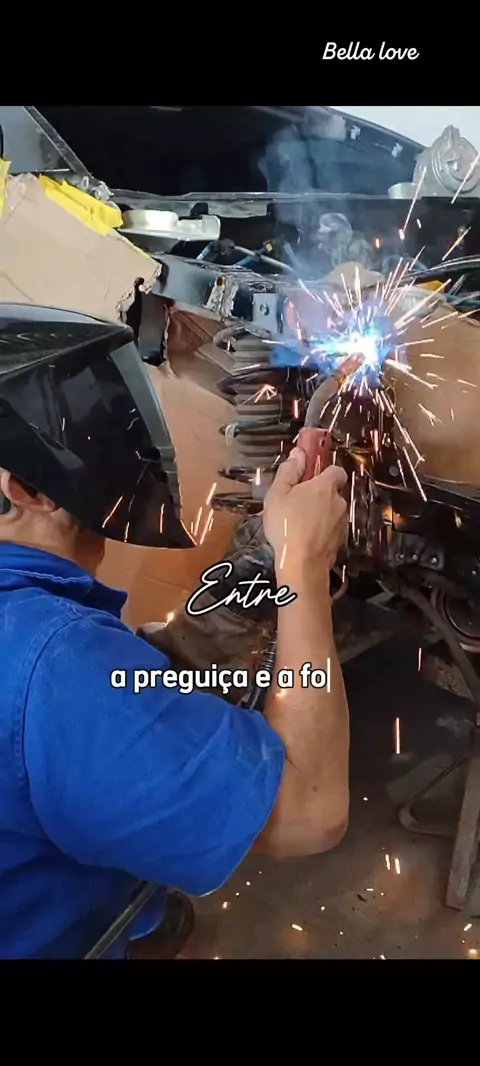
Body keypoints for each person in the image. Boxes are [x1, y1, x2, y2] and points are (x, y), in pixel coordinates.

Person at [0, 302, 350, 959]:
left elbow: (106, 697)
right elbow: (309, 810)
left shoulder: (40, 644)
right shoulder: (53, 664)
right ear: (24, 486)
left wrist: (252, 574)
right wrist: (303, 565)